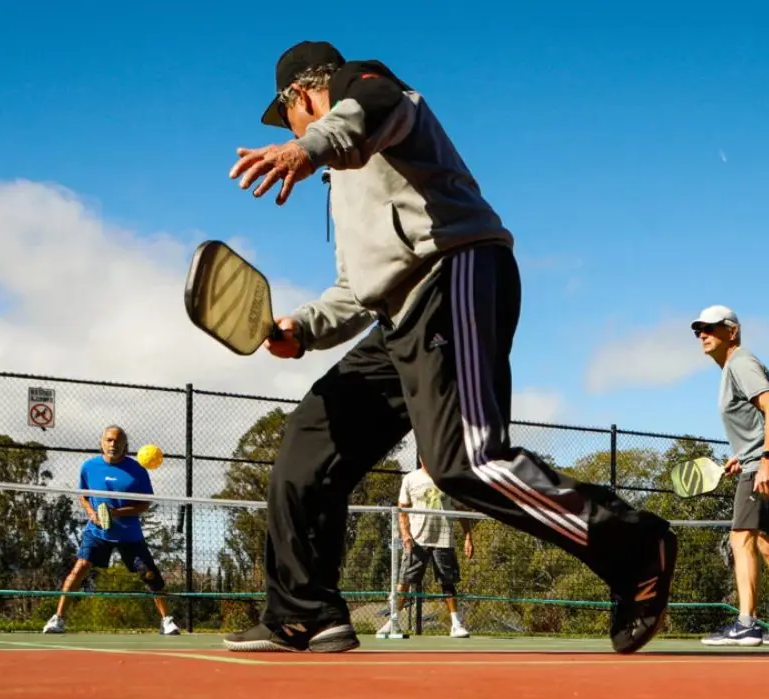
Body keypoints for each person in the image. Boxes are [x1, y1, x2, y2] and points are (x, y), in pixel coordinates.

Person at [221, 41, 677, 655]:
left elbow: (372, 105)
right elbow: (358, 290)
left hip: (453, 272)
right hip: (398, 315)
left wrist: (306, 148)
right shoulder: (342, 181)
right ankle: (304, 612)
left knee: (467, 461)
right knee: (308, 442)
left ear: (300, 96)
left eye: (290, 119)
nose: (294, 129)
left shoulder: (370, 87)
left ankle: (635, 546)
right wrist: (300, 329)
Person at [693, 305, 769, 646]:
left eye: (711, 328)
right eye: (699, 329)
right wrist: (740, 457)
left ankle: (747, 622)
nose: (703, 334)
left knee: (740, 537)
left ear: (733, 331)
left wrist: (766, 461)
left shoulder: (741, 363)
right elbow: (761, 420)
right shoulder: (736, 367)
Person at [43, 426, 179, 636]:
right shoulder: (89, 467)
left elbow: (144, 504)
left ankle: (166, 621)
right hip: (97, 532)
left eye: (117, 441)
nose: (113, 444)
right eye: (109, 440)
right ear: (102, 443)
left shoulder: (138, 471)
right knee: (80, 568)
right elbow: (83, 495)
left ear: (125, 445)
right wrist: (91, 513)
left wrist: (118, 512)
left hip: (129, 534)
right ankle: (58, 618)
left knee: (150, 575)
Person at [378, 458, 475, 639]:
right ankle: (393, 621)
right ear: (421, 457)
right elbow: (402, 510)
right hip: (417, 540)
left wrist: (468, 537)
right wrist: (406, 534)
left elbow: (461, 510)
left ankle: (456, 624)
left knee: (448, 582)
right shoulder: (410, 479)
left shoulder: (448, 480)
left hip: (444, 539)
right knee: (404, 580)